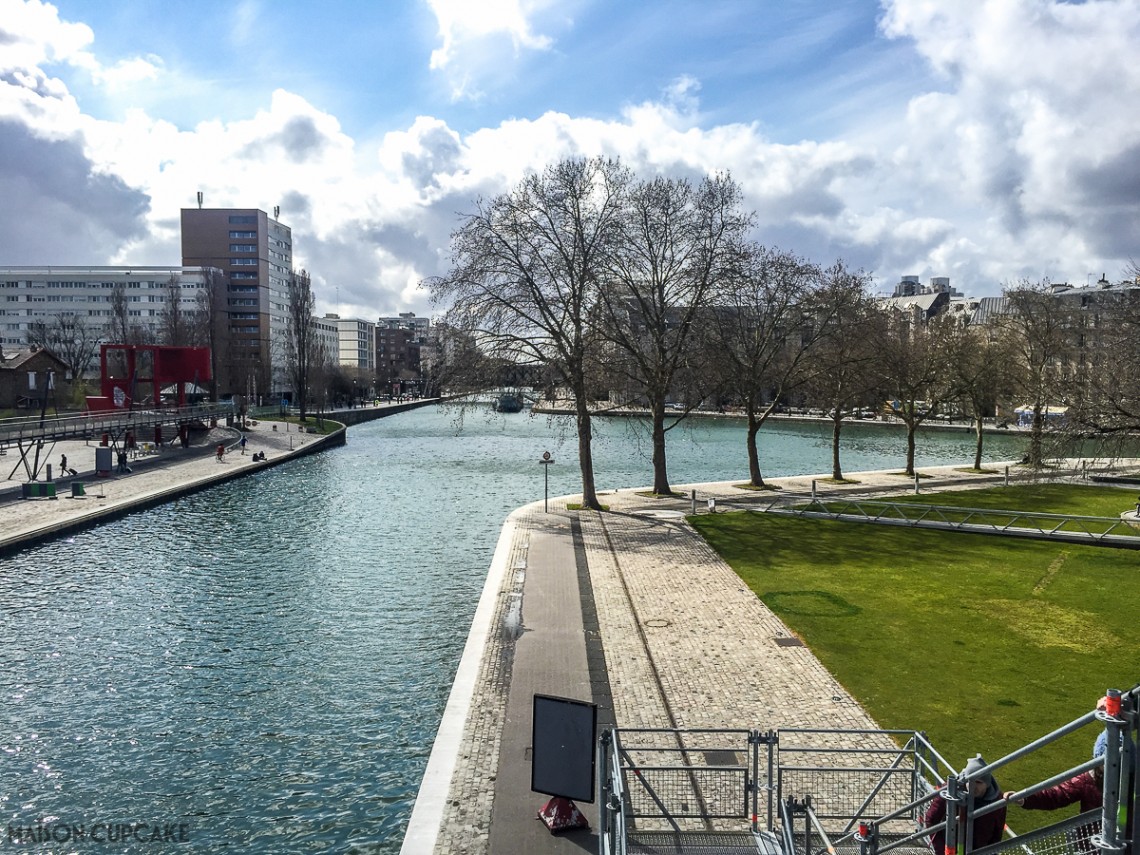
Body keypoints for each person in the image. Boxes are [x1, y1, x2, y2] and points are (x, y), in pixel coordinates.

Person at [925, 754, 1006, 854]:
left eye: (978, 782)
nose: (973, 786)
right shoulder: (951, 790)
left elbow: (997, 833)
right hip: (951, 849)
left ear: (987, 784)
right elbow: (931, 819)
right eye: (969, 781)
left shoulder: (998, 800)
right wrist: (942, 851)